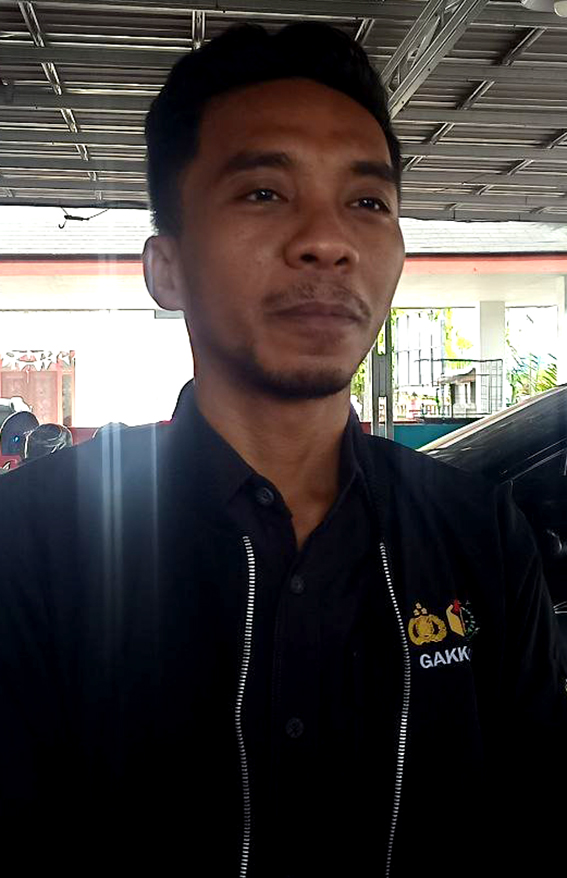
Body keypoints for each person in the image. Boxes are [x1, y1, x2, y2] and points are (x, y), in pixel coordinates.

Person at [0, 22, 565, 878]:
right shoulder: (33, 544)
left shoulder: (479, 535)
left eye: (366, 203)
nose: (327, 241)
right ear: (166, 268)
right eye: (264, 192)